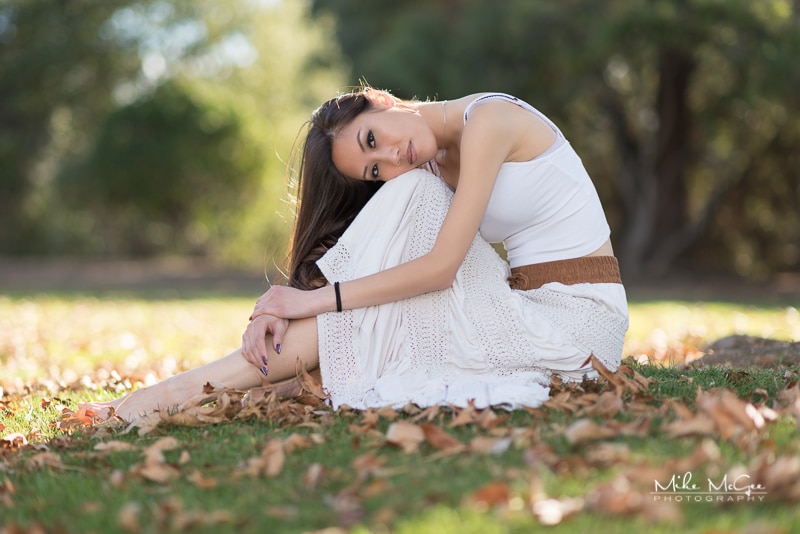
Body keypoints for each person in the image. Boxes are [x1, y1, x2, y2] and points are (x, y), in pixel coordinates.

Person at [85, 86, 628, 421]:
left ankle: (180, 391)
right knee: (404, 216)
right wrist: (291, 301)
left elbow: (440, 269)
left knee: (410, 198)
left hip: (578, 328)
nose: (391, 158)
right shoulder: (429, 165)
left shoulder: (488, 121)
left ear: (383, 101)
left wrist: (310, 302)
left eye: (373, 139)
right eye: (374, 170)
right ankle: (188, 389)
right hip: (521, 309)